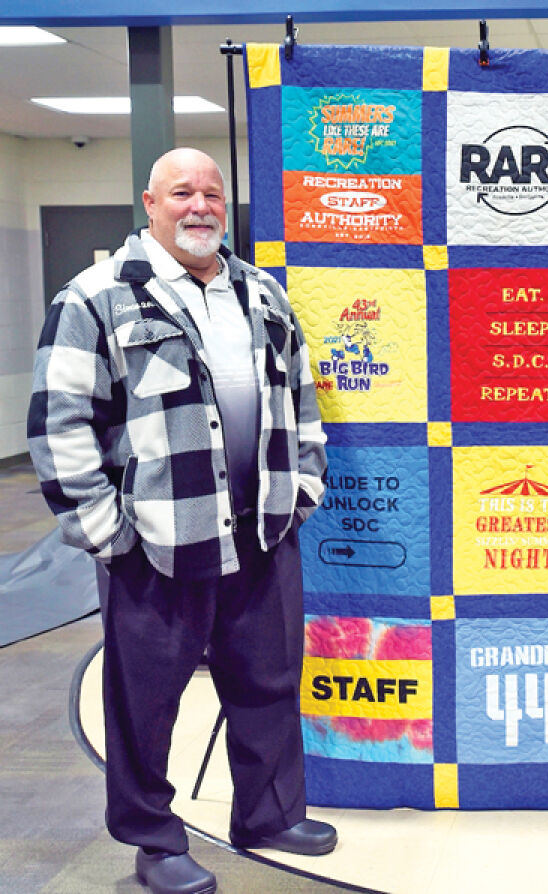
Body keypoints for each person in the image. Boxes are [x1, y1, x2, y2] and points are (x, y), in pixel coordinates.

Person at [27, 148, 335, 894]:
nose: (200, 206)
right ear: (150, 203)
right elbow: (59, 424)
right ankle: (153, 840)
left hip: (261, 530)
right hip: (158, 543)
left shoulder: (260, 291)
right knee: (145, 700)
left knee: (266, 680)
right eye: (181, 193)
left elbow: (299, 400)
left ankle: (266, 815)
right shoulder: (95, 297)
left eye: (212, 193)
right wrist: (106, 533)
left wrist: (303, 488)